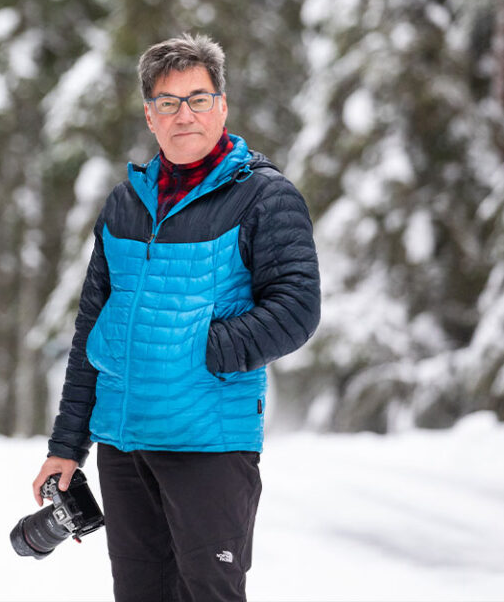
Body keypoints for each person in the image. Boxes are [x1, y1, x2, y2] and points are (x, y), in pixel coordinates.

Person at [33, 33, 320, 602]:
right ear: (150, 114)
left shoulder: (263, 197)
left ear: (222, 105)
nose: (183, 113)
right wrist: (67, 446)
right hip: (123, 445)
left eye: (197, 98)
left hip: (208, 445)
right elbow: (93, 327)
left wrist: (210, 349)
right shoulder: (124, 203)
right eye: (168, 102)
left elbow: (298, 308)